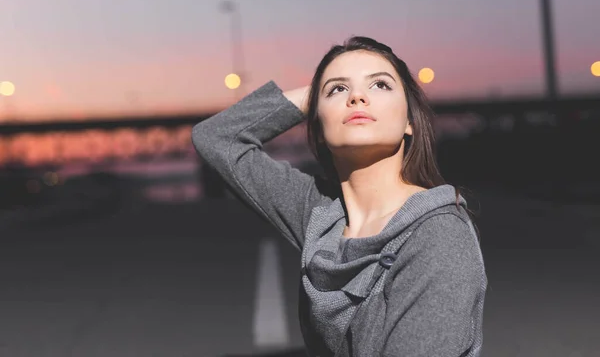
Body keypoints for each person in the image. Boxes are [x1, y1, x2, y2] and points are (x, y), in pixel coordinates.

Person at [192, 36, 487, 357]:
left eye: (380, 86)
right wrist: (314, 93)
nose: (357, 96)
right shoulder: (321, 213)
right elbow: (217, 139)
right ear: (317, 126)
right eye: (338, 89)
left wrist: (332, 92)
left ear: (409, 122)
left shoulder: (438, 235)